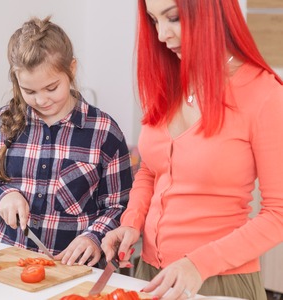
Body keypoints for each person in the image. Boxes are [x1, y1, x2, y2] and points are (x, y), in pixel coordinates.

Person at [101, 0, 283, 299]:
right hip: (150, 275)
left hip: (215, 280)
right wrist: (131, 223)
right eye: (153, 21)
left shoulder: (264, 94)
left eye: (172, 18)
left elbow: (279, 214)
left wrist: (198, 264)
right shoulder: (168, 80)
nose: (161, 35)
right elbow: (150, 169)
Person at [0, 16, 133, 268]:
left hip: (73, 272)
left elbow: (119, 206)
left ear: (71, 69)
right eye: (29, 91)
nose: (41, 100)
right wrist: (0, 196)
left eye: (51, 88)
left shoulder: (104, 132)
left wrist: (94, 238)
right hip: (7, 268)